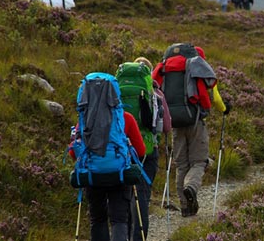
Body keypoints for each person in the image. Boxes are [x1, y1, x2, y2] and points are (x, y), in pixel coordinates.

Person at [152, 45, 230, 217]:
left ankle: (186, 208)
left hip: (174, 122)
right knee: (199, 161)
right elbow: (208, 97)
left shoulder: (166, 68)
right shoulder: (197, 69)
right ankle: (191, 187)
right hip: (194, 121)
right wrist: (218, 110)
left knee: (181, 165)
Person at [70, 111, 146, 241]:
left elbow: (73, 152)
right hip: (119, 175)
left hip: (93, 176)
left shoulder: (84, 120)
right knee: (119, 219)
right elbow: (141, 150)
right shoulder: (125, 118)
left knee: (98, 219)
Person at [129, 57, 160, 241]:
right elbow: (163, 126)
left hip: (124, 150)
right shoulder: (156, 95)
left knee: (124, 197)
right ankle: (139, 237)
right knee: (142, 195)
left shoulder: (119, 93)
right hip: (148, 150)